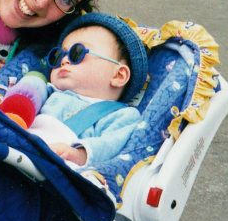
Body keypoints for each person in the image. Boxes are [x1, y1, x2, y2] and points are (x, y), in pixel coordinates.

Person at [28, 13, 148, 169]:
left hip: (60, 165)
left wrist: (79, 154)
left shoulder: (122, 116)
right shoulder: (48, 91)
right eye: (58, 56)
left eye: (76, 53)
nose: (64, 60)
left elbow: (110, 144)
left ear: (118, 75)